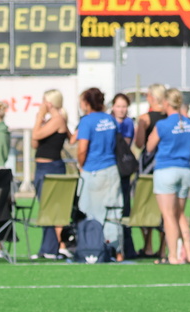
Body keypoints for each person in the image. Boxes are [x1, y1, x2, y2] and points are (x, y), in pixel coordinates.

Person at [146, 88, 190, 265]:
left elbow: (149, 146)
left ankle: (173, 255)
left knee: (168, 215)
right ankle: (189, 254)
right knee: (181, 214)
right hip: (184, 170)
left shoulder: (163, 125)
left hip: (166, 170)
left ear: (167, 103)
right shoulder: (189, 123)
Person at [75, 87, 121, 253]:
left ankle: (93, 247)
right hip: (112, 169)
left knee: (90, 211)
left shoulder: (87, 121)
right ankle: (114, 248)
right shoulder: (110, 119)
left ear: (87, 103)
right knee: (112, 211)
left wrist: (81, 165)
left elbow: (82, 149)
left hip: (93, 170)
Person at [30, 89, 70, 259]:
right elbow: (34, 143)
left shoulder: (58, 119)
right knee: (46, 210)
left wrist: (39, 118)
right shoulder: (48, 121)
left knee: (53, 209)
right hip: (41, 168)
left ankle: (57, 247)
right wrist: (40, 120)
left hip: (52, 168)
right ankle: (48, 248)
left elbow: (36, 134)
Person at [133, 83, 167, 258]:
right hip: (165, 163)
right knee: (164, 208)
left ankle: (147, 245)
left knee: (143, 203)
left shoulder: (145, 118)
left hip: (148, 166)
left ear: (152, 97)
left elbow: (139, 144)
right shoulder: (170, 117)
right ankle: (162, 248)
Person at [111, 92, 137, 261]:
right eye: (118, 106)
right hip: (110, 169)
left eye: (124, 106)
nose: (121, 110)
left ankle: (127, 247)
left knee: (125, 208)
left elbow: (124, 148)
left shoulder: (127, 124)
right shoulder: (108, 121)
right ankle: (112, 245)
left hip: (122, 170)